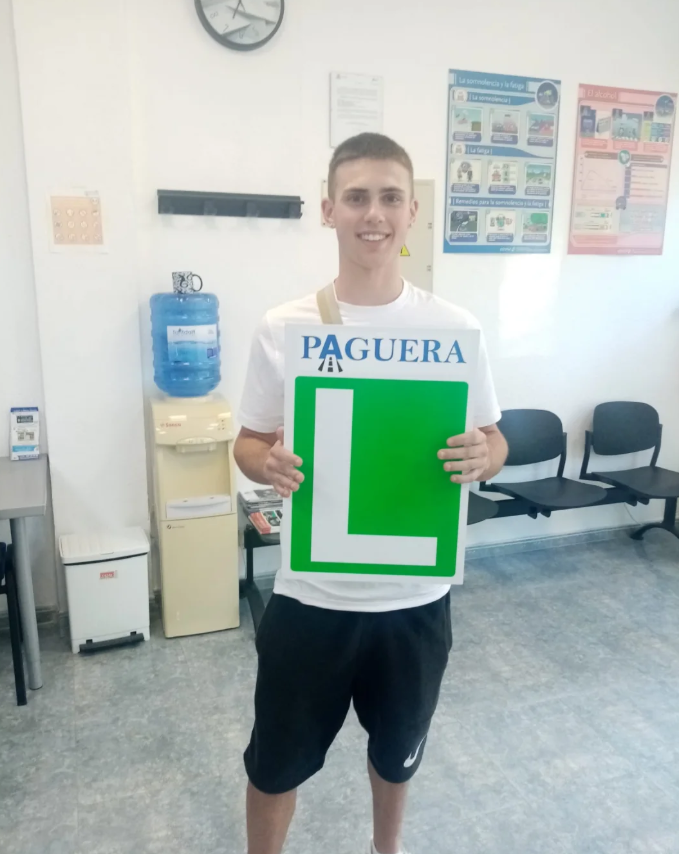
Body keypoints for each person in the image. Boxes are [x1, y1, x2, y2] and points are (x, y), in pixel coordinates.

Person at [234, 132, 508, 854]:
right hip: (310, 601)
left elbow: (492, 437)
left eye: (389, 196)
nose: (373, 213)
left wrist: (486, 455)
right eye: (356, 197)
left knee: (396, 756)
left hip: (413, 605)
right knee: (274, 767)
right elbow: (248, 442)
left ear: (411, 210)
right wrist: (268, 466)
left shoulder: (454, 331)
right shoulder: (283, 328)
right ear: (328, 209)